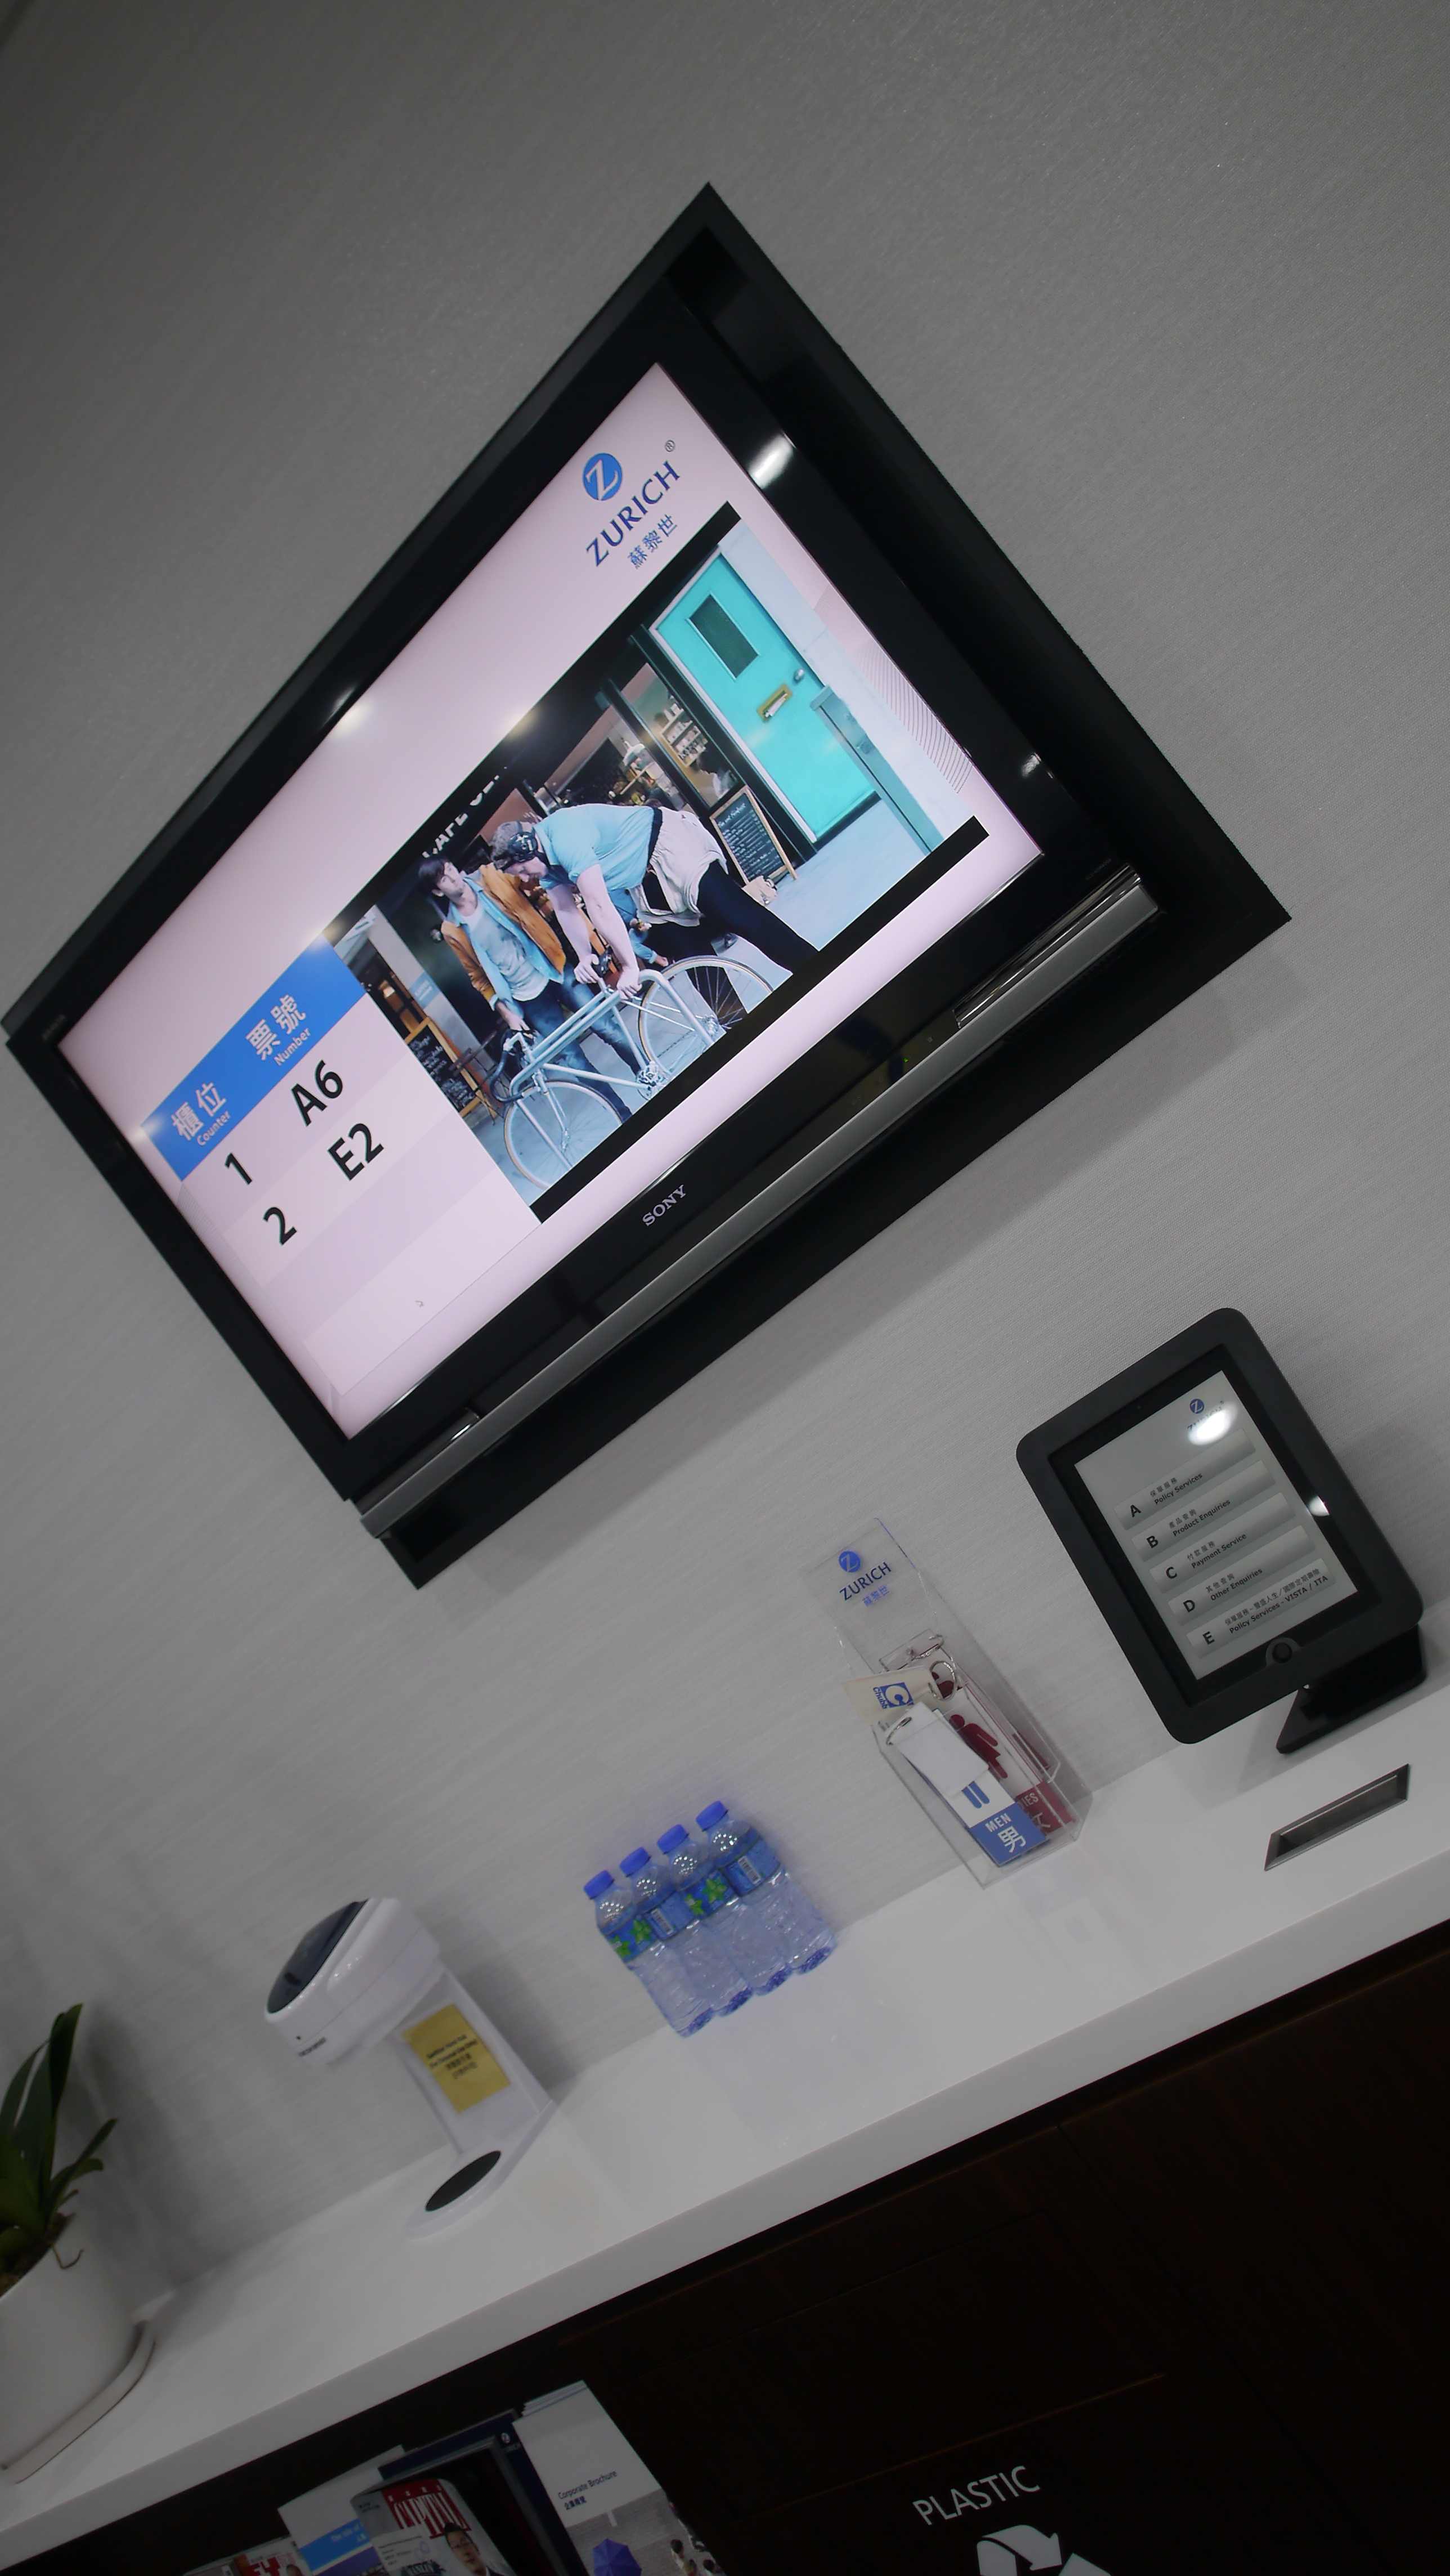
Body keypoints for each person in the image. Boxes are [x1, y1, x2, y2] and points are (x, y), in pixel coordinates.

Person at [490, 801, 820, 992]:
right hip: (642, 879)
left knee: (741, 917)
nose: (526, 879)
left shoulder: (565, 836)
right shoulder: (547, 867)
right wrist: (585, 955)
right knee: (692, 959)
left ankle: (818, 970)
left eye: (522, 870)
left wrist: (629, 966)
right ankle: (740, 1031)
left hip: (668, 845)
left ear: (528, 847)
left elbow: (599, 905)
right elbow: (565, 908)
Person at [416, 847, 642, 1106]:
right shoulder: (452, 930)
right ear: (438, 891)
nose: (453, 878)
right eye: (444, 879)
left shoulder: (491, 877)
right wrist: (508, 1014)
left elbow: (532, 878)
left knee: (606, 1027)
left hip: (553, 969)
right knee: (573, 1061)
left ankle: (648, 1072)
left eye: (450, 869)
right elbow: (477, 977)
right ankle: (621, 1111)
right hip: (526, 996)